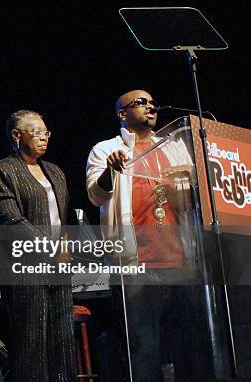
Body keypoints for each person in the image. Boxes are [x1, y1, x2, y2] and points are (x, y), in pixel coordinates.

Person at [86, 89, 210, 381]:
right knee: (144, 349)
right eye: (141, 103)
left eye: (153, 102)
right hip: (136, 266)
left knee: (189, 347)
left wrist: (185, 187)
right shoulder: (105, 149)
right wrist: (111, 170)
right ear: (122, 114)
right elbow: (95, 194)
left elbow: (193, 195)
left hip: (181, 263)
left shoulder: (174, 146)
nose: (151, 106)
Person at [0, 110, 76, 381]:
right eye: (36, 132)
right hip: (26, 268)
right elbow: (12, 220)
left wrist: (66, 246)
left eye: (46, 132)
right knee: (31, 343)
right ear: (17, 135)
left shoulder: (55, 172)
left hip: (59, 267)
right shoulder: (1, 170)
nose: (43, 138)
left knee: (62, 341)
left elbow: (65, 216)